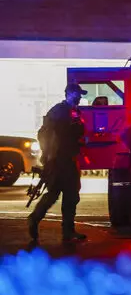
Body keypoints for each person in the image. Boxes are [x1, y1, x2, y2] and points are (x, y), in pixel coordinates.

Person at [28, 83, 88, 242]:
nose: (80, 97)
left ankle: (67, 230)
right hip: (59, 160)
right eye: (77, 94)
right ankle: (35, 219)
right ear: (69, 94)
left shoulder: (72, 112)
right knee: (58, 194)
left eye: (80, 95)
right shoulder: (60, 111)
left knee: (69, 195)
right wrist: (49, 155)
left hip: (67, 159)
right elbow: (45, 133)